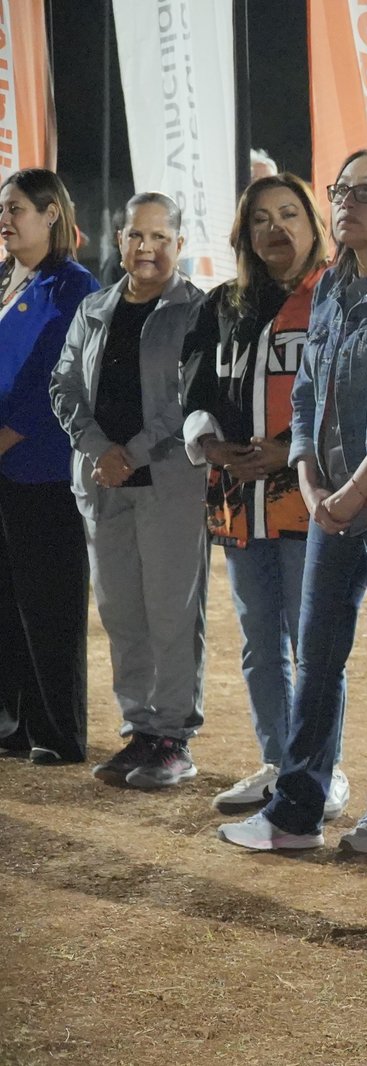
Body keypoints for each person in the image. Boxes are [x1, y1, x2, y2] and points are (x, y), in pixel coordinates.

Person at [217, 149, 367, 852]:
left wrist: (357, 486)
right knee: (316, 657)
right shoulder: (334, 285)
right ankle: (296, 811)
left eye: (366, 192)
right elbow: (308, 392)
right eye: (341, 190)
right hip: (329, 503)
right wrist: (310, 480)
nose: (347, 203)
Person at [181, 173, 350, 820]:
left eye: (289, 214)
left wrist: (290, 450)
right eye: (260, 219)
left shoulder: (338, 295)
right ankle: (280, 764)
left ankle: (320, 772)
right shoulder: (222, 305)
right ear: (244, 234)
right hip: (237, 499)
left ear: (313, 224)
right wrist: (210, 443)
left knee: (313, 645)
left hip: (308, 493)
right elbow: (194, 388)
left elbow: (350, 392)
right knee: (259, 643)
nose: (275, 228)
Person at [50, 192, 208, 787]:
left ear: (180, 245)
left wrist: (131, 454)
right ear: (119, 240)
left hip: (169, 485)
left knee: (172, 613)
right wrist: (99, 451)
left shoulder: (198, 311)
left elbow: (191, 397)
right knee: (121, 614)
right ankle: (141, 730)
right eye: (137, 235)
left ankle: (173, 737)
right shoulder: (94, 308)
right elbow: (64, 385)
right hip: (102, 485)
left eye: (160, 237)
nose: (147, 248)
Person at [0, 169, 98, 765]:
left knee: (49, 606)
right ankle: (11, 723)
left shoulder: (74, 287)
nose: (4, 220)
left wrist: (6, 437)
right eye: (2, 210)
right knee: (5, 602)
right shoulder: (6, 278)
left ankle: (57, 731)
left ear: (51, 214)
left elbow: (51, 381)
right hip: (4, 469)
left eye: (15, 209)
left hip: (43, 469)